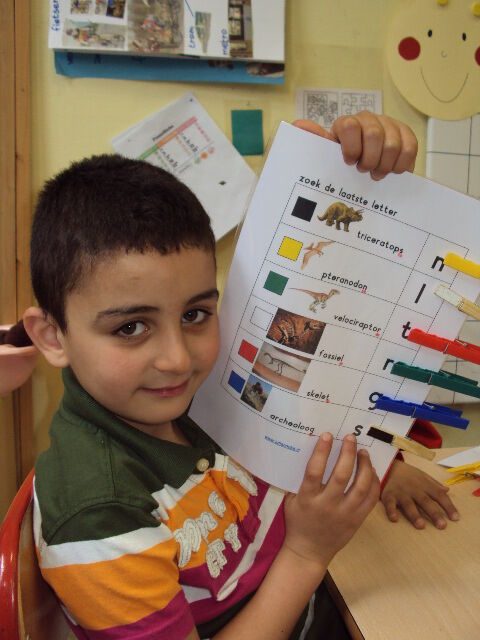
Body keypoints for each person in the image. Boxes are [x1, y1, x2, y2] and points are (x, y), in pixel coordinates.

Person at [24, 114, 457, 639]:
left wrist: (383, 469)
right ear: (52, 336)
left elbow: (310, 379)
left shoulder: (189, 390)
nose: (178, 359)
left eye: (195, 314)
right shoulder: (97, 514)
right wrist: (307, 552)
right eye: (131, 327)